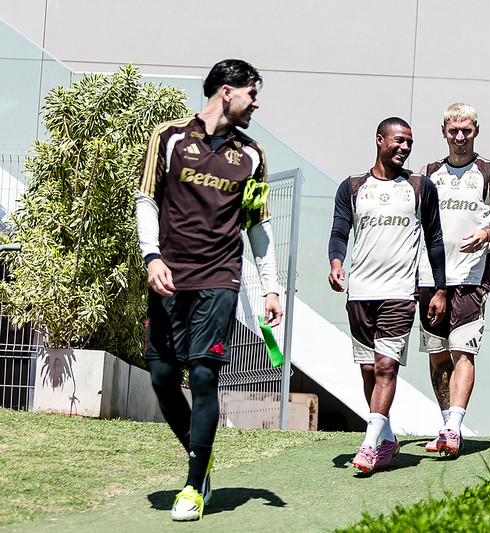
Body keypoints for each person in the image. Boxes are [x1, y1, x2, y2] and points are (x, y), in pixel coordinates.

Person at [135, 59, 282, 521]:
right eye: (252, 94)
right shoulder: (169, 136)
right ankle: (200, 452)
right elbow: (147, 199)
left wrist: (271, 288)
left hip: (220, 278)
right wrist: (151, 256)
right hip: (168, 275)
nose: (256, 104)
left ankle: (194, 482)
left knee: (202, 375)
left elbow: (257, 225)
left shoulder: (252, 154)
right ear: (227, 91)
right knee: (161, 377)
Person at [328, 117, 446, 474]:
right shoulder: (352, 186)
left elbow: (435, 240)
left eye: (409, 142)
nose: (404, 147)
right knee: (368, 369)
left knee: (386, 367)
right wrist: (336, 263)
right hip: (360, 292)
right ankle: (388, 438)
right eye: (398, 140)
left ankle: (368, 445)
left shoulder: (420, 186)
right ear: (380, 140)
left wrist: (439, 288)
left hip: (400, 293)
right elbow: (339, 230)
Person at [417, 103, 490, 457]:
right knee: (437, 355)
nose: (460, 137)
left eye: (466, 131)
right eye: (454, 130)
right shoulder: (427, 173)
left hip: (470, 278)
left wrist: (486, 234)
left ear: (476, 131)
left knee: (463, 351)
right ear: (444, 131)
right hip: (429, 277)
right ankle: (446, 426)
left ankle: (455, 427)